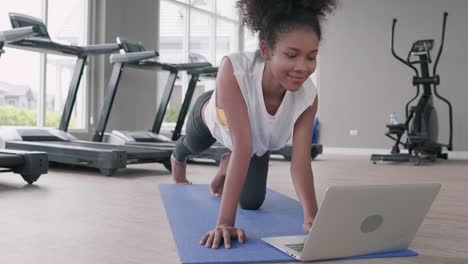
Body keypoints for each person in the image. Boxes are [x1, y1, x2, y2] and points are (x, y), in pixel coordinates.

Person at [171, 0, 337, 249]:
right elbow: (243, 147)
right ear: (266, 51)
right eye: (292, 55)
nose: (303, 67)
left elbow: (300, 162)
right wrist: (225, 223)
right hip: (213, 117)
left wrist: (312, 216)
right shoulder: (235, 69)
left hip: (253, 143)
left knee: (251, 201)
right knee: (193, 144)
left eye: (311, 57)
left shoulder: (307, 97)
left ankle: (227, 161)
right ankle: (178, 156)